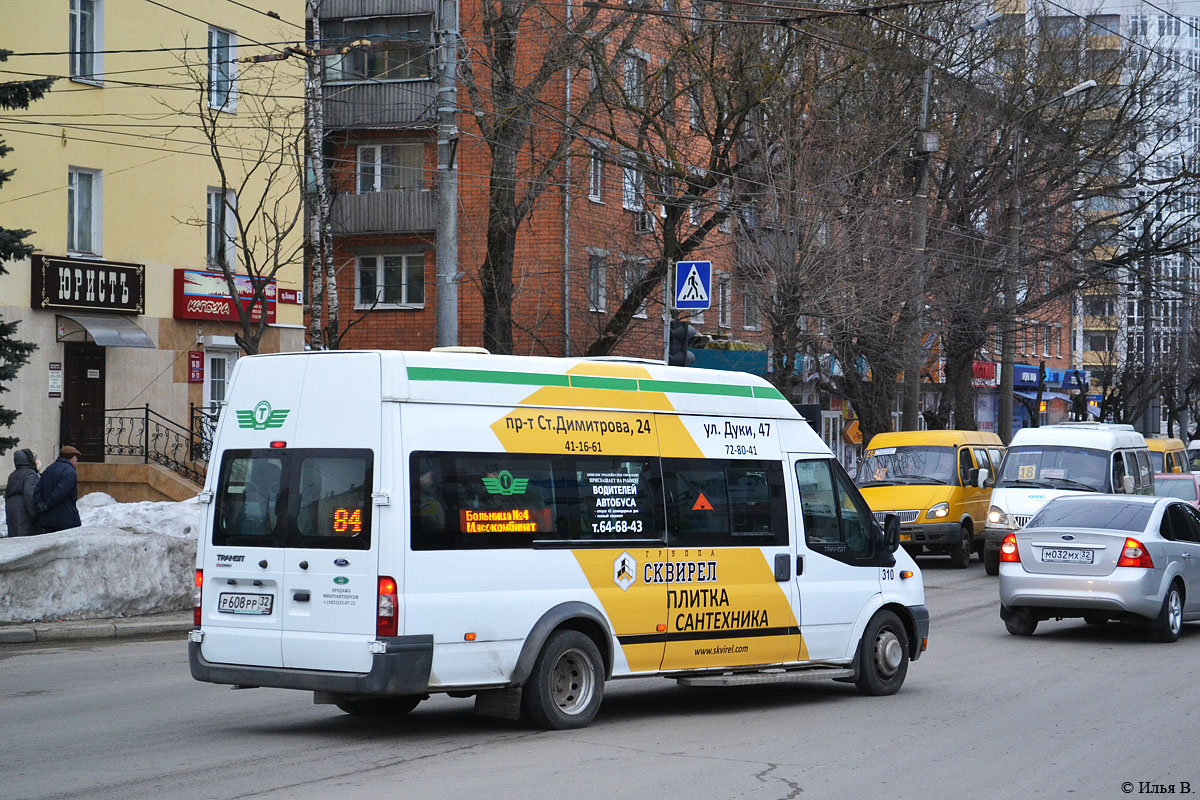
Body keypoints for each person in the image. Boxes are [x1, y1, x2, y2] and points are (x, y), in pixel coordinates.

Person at [37, 445, 82, 533]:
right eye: (76, 458)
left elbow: (38, 489)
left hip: (47, 518)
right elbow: (60, 492)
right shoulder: (70, 471)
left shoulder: (48, 469)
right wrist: (48, 505)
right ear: (71, 458)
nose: (77, 461)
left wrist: (41, 506)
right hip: (64, 518)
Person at [4, 448, 42, 537]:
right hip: (24, 510)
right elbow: (29, 495)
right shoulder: (30, 474)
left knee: (15, 537)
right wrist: (35, 514)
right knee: (25, 539)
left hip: (12, 510)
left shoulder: (13, 475)